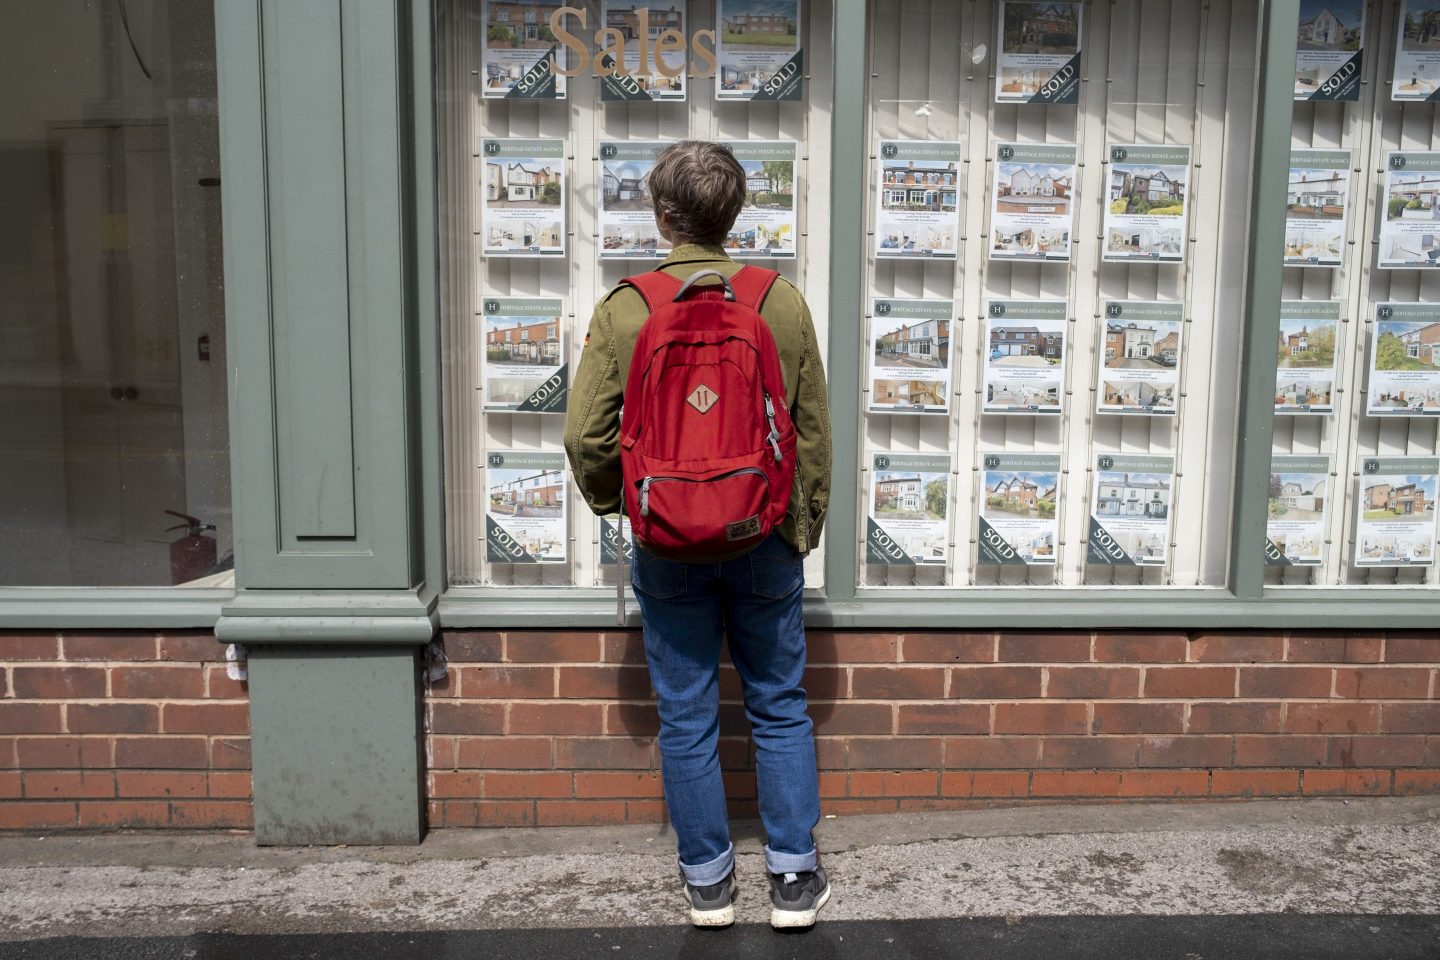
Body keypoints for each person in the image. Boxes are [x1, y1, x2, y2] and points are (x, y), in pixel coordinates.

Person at [564, 140, 832, 930]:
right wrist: (801, 524)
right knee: (779, 705)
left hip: (667, 543)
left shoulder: (626, 308)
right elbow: (812, 431)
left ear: (662, 216)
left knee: (687, 716)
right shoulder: (779, 302)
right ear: (735, 215)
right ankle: (793, 877)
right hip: (762, 536)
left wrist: (625, 505)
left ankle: (709, 884)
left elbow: (585, 436)